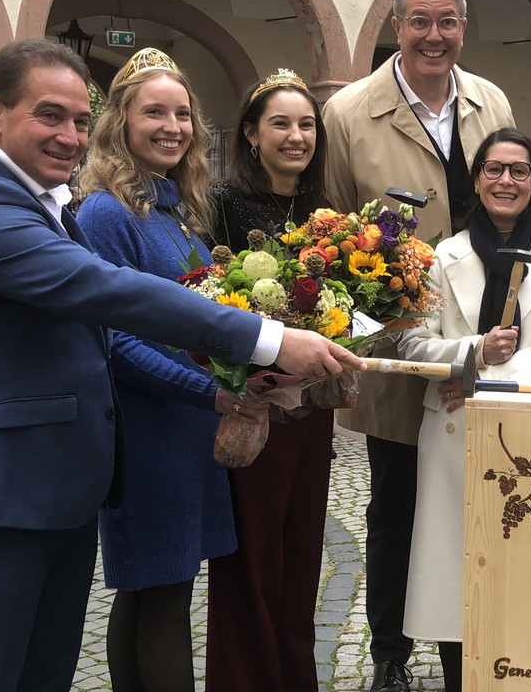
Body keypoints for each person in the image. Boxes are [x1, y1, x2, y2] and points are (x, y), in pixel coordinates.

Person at [0, 39, 362, 692]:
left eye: (79, 121)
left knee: (44, 671)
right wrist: (268, 342)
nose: (68, 135)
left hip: (53, 479)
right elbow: (112, 296)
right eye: (49, 116)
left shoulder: (54, 205)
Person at [322, 0, 514, 689]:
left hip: (482, 336)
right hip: (398, 349)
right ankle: (391, 657)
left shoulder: (490, 100)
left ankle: (473, 648)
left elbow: (512, 196)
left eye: (448, 23)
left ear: (464, 26)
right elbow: (333, 233)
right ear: (396, 26)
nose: (434, 37)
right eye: (419, 23)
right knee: (397, 509)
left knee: (479, 498)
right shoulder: (348, 113)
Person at [74, 48, 255, 692]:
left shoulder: (177, 214)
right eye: (154, 112)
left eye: (182, 113)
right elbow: (114, 340)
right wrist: (211, 392)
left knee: (151, 595)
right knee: (163, 599)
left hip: (187, 430)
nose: (172, 126)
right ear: (120, 122)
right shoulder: (105, 213)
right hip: (148, 431)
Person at [397, 127, 531, 692]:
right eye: (494, 169)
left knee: (524, 568)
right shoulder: (441, 255)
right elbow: (412, 342)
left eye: (519, 170)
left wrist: (486, 380)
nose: (506, 180)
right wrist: (471, 350)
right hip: (454, 436)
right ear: (477, 181)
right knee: (455, 574)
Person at [205, 68, 336, 692]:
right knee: (252, 555)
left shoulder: (323, 212)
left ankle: (294, 675)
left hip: (310, 406)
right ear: (251, 135)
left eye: (306, 124)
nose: (295, 136)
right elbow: (208, 305)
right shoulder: (223, 206)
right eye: (280, 124)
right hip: (253, 401)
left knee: (302, 548)